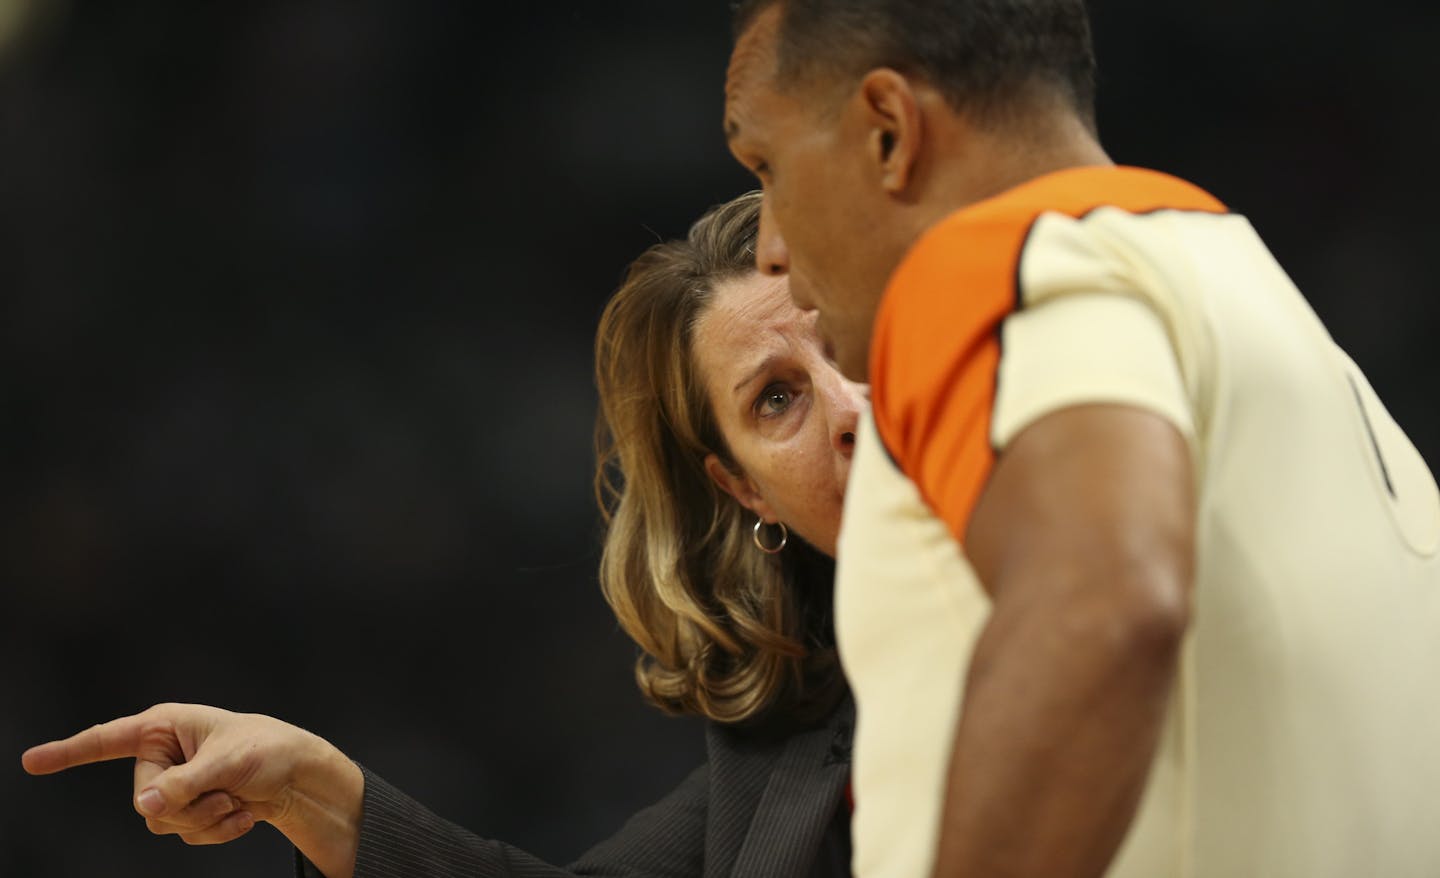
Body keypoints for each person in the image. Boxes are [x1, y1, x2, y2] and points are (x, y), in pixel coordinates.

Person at [723, 2, 1440, 877]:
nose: (769, 246)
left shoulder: (987, 261)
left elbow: (1107, 601)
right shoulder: (1271, 311)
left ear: (888, 132)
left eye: (766, 166)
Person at [21, 190, 870, 878]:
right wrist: (316, 794)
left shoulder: (1002, 592)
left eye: (847, 340)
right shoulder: (782, 757)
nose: (847, 406)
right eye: (776, 398)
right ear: (745, 489)